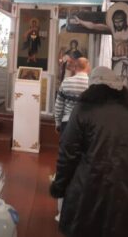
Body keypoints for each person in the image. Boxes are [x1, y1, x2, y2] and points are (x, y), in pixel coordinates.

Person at [50, 66, 128, 237]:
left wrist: (59, 186)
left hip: (88, 190)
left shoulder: (83, 110)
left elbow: (68, 153)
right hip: (126, 193)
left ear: (92, 87)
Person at [52, 57, 90, 222]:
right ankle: (80, 211)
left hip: (68, 124)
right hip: (86, 128)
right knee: (83, 164)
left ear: (75, 67)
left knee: (65, 165)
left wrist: (57, 123)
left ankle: (62, 212)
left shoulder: (67, 83)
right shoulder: (91, 84)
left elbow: (58, 105)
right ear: (87, 67)